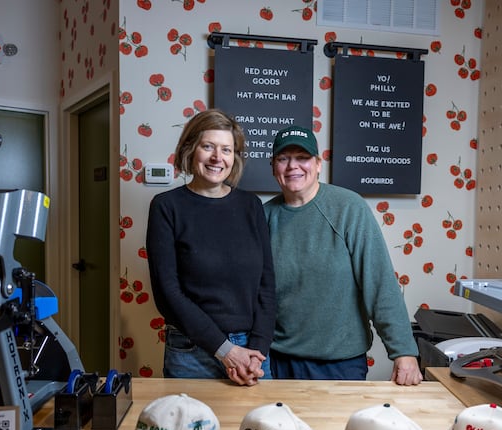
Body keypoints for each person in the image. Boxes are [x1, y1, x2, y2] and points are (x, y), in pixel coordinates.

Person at [263, 125, 422, 385]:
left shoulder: (349, 208)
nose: (293, 166)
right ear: (273, 167)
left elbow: (380, 282)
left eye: (302, 158)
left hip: (340, 364)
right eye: (283, 158)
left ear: (317, 164)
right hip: (278, 360)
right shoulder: (264, 216)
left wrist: (403, 351)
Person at [146, 109, 275, 386]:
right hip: (191, 352)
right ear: (191, 150)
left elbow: (266, 284)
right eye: (208, 147)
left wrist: (257, 351)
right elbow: (168, 293)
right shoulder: (166, 207)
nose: (218, 158)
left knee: (258, 428)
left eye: (227, 150)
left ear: (235, 158)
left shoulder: (250, 206)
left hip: (253, 351)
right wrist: (226, 351)